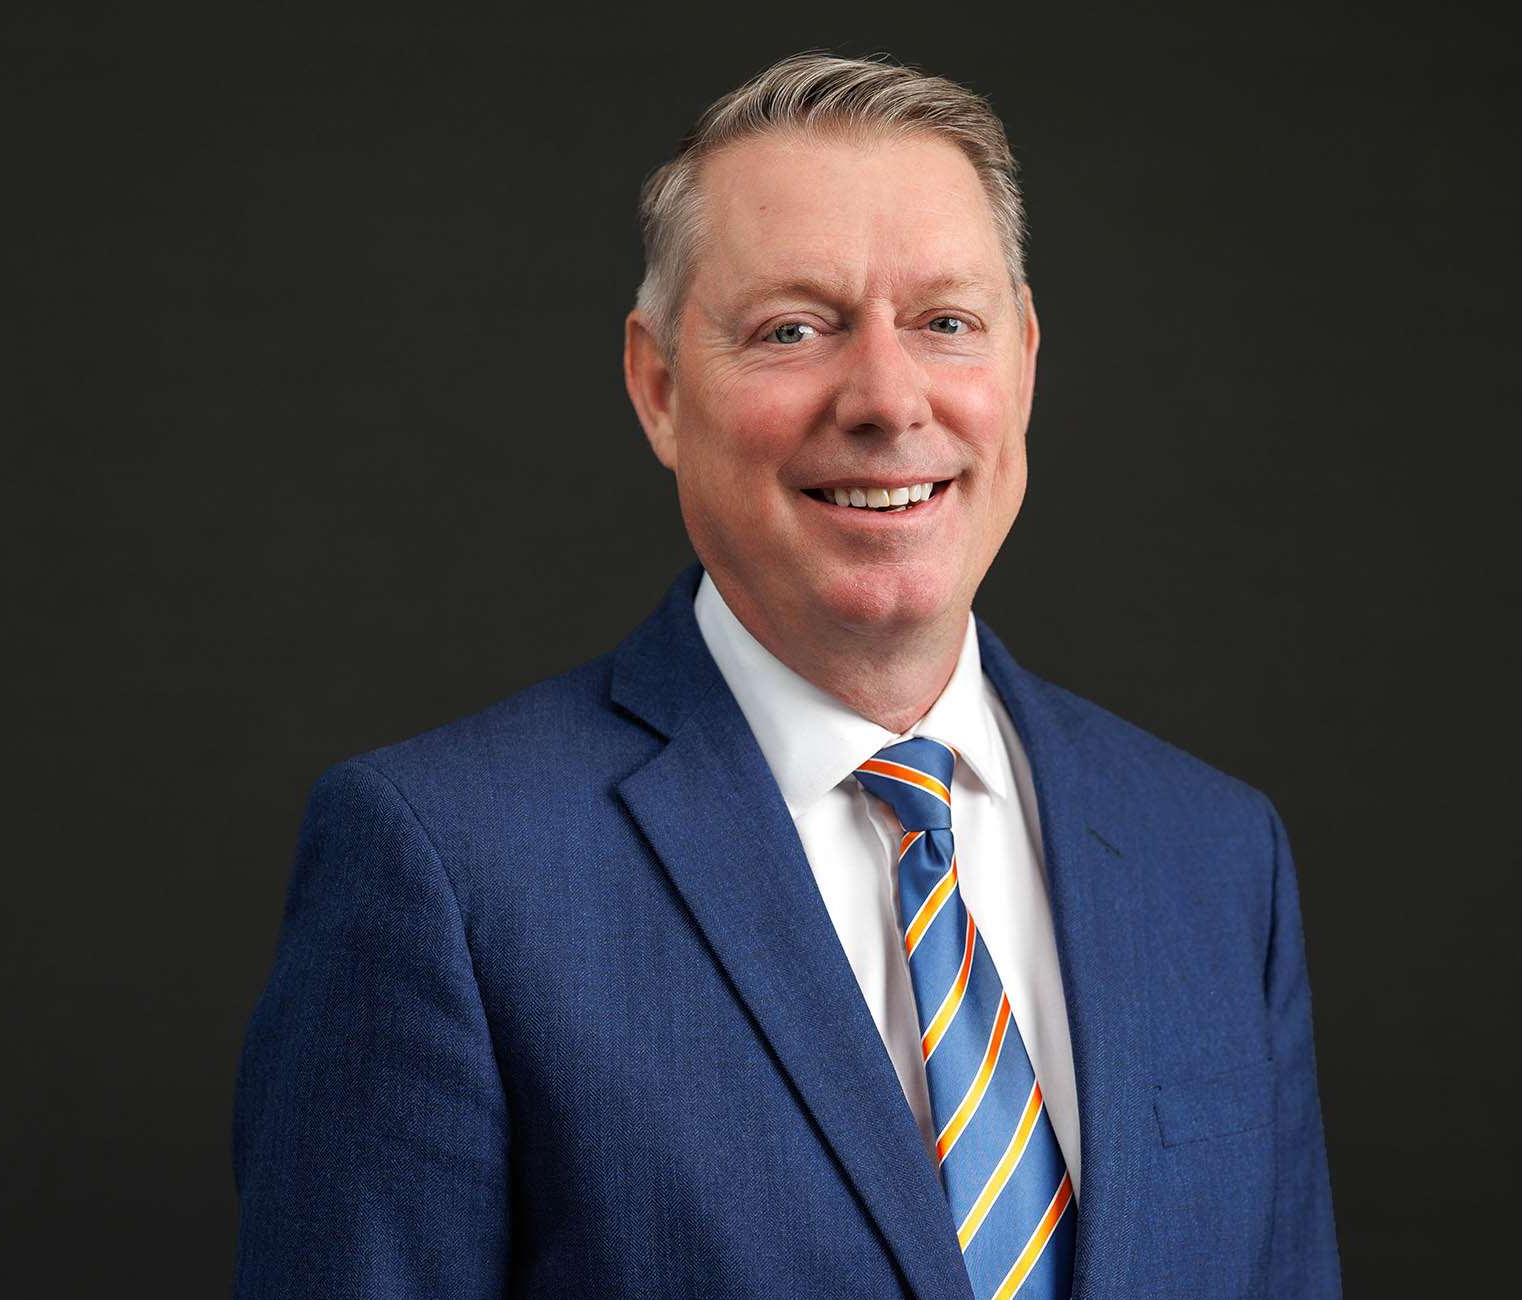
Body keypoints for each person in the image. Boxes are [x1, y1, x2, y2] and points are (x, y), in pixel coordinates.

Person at [233, 53, 1339, 1299]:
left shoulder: (1214, 855)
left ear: (1022, 362)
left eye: (946, 322)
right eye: (792, 330)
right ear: (659, 386)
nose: (886, 399)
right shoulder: (446, 866)